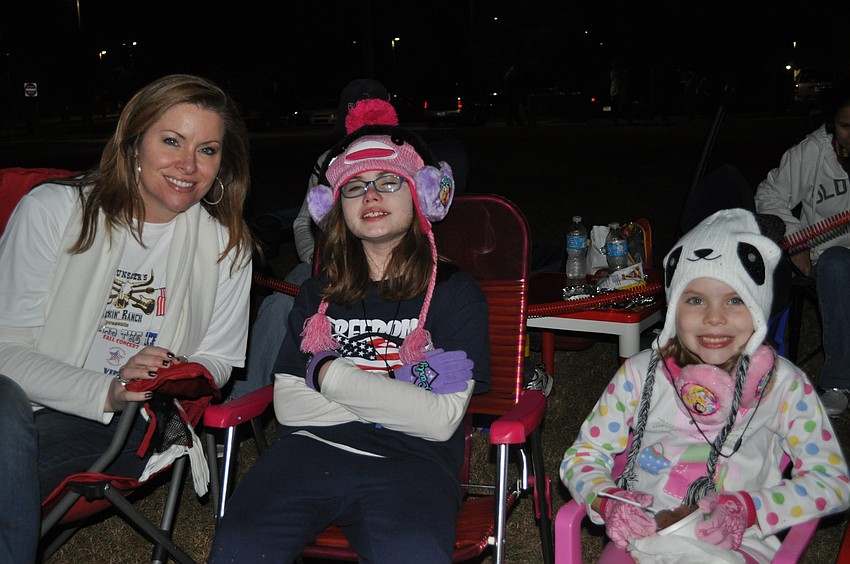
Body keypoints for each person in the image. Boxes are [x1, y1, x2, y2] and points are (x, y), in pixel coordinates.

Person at [210, 99, 489, 563]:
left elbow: (439, 421)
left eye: (388, 181)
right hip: (306, 453)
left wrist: (327, 374)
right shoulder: (317, 293)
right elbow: (289, 407)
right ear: (335, 207)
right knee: (240, 547)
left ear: (421, 194)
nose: (370, 196)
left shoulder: (455, 293)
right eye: (354, 187)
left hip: (413, 463)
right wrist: (400, 390)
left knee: (412, 553)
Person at [0, 74, 253, 563]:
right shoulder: (53, 211)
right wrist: (103, 387)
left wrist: (168, 371)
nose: (188, 165)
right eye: (172, 141)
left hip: (125, 422)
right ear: (134, 144)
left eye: (207, 150)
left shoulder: (227, 247)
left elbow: (219, 359)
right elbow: (5, 351)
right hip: (19, 404)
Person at [560, 209, 849, 562]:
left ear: (758, 306)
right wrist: (608, 501)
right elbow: (582, 457)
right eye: (695, 300)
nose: (715, 318)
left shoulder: (784, 385)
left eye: (735, 299)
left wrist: (751, 508)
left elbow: (833, 482)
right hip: (644, 538)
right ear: (674, 308)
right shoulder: (639, 374)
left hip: (739, 543)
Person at [754, 79, 850, 416]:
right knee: (837, 263)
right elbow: (769, 195)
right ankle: (839, 382)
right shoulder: (813, 152)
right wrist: (796, 241)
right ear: (832, 124)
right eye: (845, 126)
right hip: (830, 258)